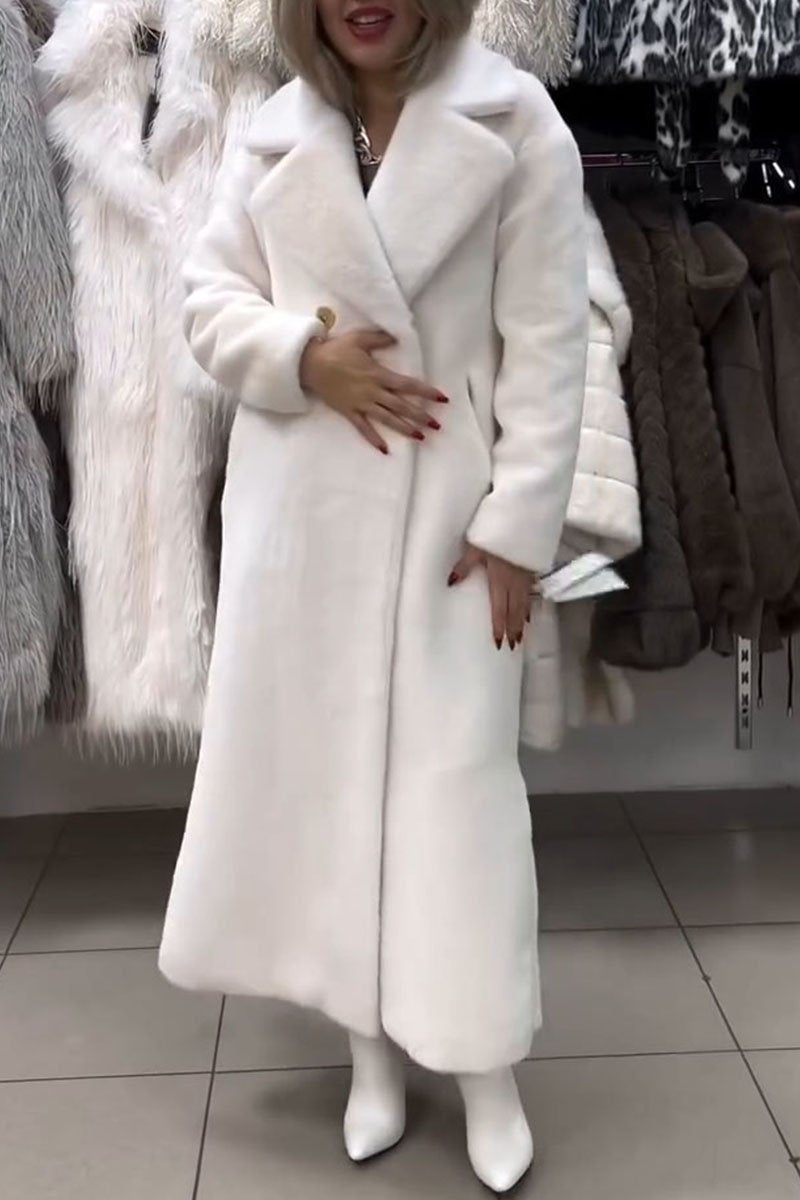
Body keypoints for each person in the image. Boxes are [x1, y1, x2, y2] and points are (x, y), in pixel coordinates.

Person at [159, 0, 588, 1191]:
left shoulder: (515, 121)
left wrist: (518, 527)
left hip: (450, 531)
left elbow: (549, 345)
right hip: (301, 528)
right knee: (327, 788)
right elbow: (204, 303)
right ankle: (369, 1057)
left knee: (456, 794)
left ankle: (483, 1066)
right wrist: (304, 359)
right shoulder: (271, 132)